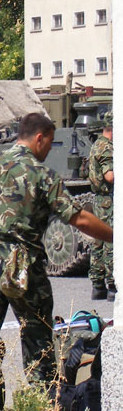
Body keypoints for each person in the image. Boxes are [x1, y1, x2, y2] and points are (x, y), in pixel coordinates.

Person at [0, 113, 112, 411]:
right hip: (22, 267)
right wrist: (115, 236)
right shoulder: (42, 175)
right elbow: (78, 219)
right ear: (39, 138)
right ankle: (42, 410)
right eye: (49, 143)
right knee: (36, 336)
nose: (49, 149)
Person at [88, 111, 115, 301]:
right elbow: (110, 176)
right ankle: (113, 283)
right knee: (111, 240)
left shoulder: (97, 144)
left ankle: (98, 285)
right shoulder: (107, 147)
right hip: (108, 199)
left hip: (99, 199)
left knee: (98, 242)